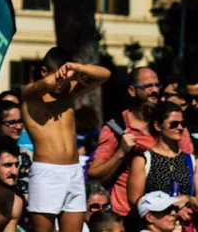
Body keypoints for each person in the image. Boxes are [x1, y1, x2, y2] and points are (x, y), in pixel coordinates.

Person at [88, 68, 194, 228]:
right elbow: (94, 174)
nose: (155, 91)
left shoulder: (173, 126)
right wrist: (121, 152)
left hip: (170, 219)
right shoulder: (117, 127)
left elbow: (190, 169)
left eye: (157, 85)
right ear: (132, 90)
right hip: (128, 216)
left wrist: (184, 202)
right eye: (147, 86)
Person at [21, 47, 111, 232]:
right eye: (60, 79)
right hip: (47, 173)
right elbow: (42, 83)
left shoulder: (69, 92)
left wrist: (78, 68)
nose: (62, 84)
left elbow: (104, 75)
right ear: (45, 71)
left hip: (73, 172)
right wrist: (60, 77)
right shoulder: (30, 95)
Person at [127, 101, 197, 227]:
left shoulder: (192, 160)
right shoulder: (143, 160)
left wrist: (188, 200)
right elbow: (135, 200)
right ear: (158, 126)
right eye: (174, 124)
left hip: (185, 227)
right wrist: (172, 207)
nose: (180, 128)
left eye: (183, 124)